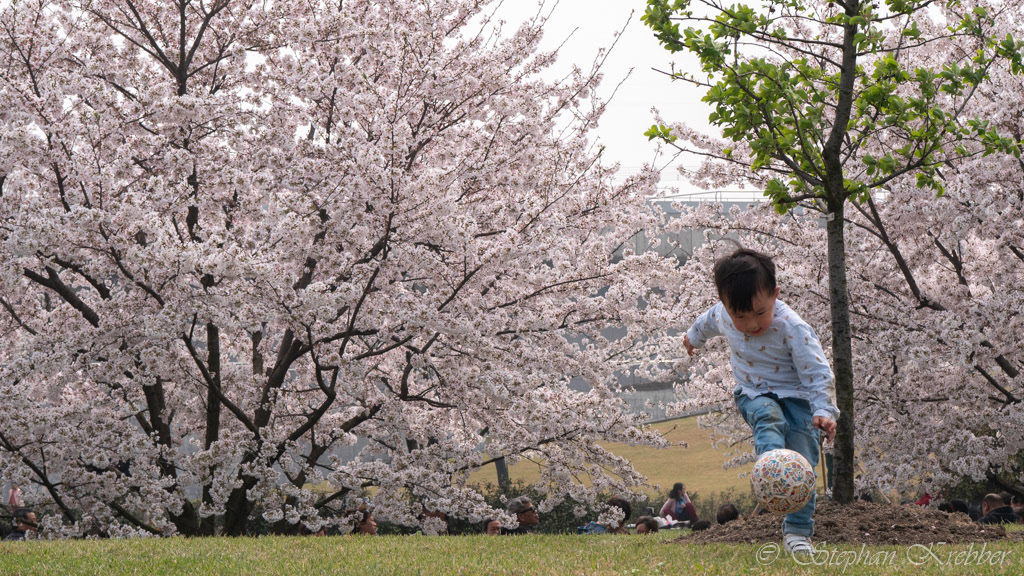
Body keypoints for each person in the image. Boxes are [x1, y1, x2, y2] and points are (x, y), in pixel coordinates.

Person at [684, 248, 839, 555]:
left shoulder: (791, 327)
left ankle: (797, 532)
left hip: (797, 399)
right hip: (753, 393)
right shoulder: (723, 315)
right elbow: (705, 323)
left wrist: (822, 409)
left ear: (775, 295)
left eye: (759, 313)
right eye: (739, 316)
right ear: (726, 306)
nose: (751, 325)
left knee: (804, 462)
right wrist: (692, 338)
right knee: (769, 417)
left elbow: (818, 371)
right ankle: (770, 470)